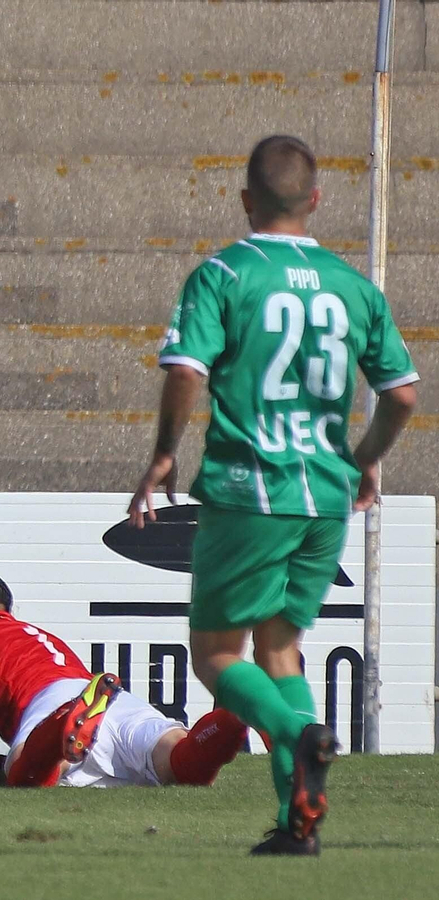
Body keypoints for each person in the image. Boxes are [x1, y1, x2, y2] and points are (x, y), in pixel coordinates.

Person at [129, 135, 419, 856]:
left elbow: (186, 370)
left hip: (250, 487)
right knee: (280, 648)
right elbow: (404, 394)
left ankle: (297, 734)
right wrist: (366, 459)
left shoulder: (224, 275)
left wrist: (165, 452)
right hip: (324, 495)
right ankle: (299, 824)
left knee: (217, 657)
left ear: (245, 200)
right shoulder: (354, 286)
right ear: (316, 200)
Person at [0, 571, 247, 790]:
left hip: (54, 703)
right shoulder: (32, 636)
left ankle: (58, 732)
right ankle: (237, 714)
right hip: (107, 698)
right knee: (177, 762)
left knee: (27, 772)